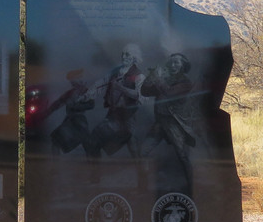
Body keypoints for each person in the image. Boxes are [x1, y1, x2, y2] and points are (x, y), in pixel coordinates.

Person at [139, 52, 198, 194]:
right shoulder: (164, 79)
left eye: (176, 62)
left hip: (174, 124)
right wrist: (150, 77)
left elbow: (169, 92)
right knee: (143, 151)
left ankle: (191, 188)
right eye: (171, 63)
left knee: (183, 156)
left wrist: (157, 78)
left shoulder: (185, 82)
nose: (173, 65)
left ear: (183, 66)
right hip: (160, 123)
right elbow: (145, 91)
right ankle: (143, 187)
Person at [85, 43, 145, 168]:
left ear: (134, 57)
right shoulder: (115, 72)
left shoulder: (139, 75)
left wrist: (121, 88)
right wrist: (88, 94)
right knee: (93, 139)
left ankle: (142, 179)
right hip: (112, 115)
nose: (123, 57)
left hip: (128, 118)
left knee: (133, 149)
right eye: (122, 54)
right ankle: (95, 175)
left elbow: (139, 95)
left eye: (127, 54)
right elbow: (101, 84)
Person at [44, 69, 95, 155]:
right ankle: (55, 166)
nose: (72, 82)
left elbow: (91, 105)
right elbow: (58, 103)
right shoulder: (70, 93)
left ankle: (93, 164)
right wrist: (48, 111)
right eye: (72, 80)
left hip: (80, 120)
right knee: (56, 139)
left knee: (86, 142)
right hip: (69, 120)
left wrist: (76, 106)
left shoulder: (86, 92)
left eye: (74, 79)